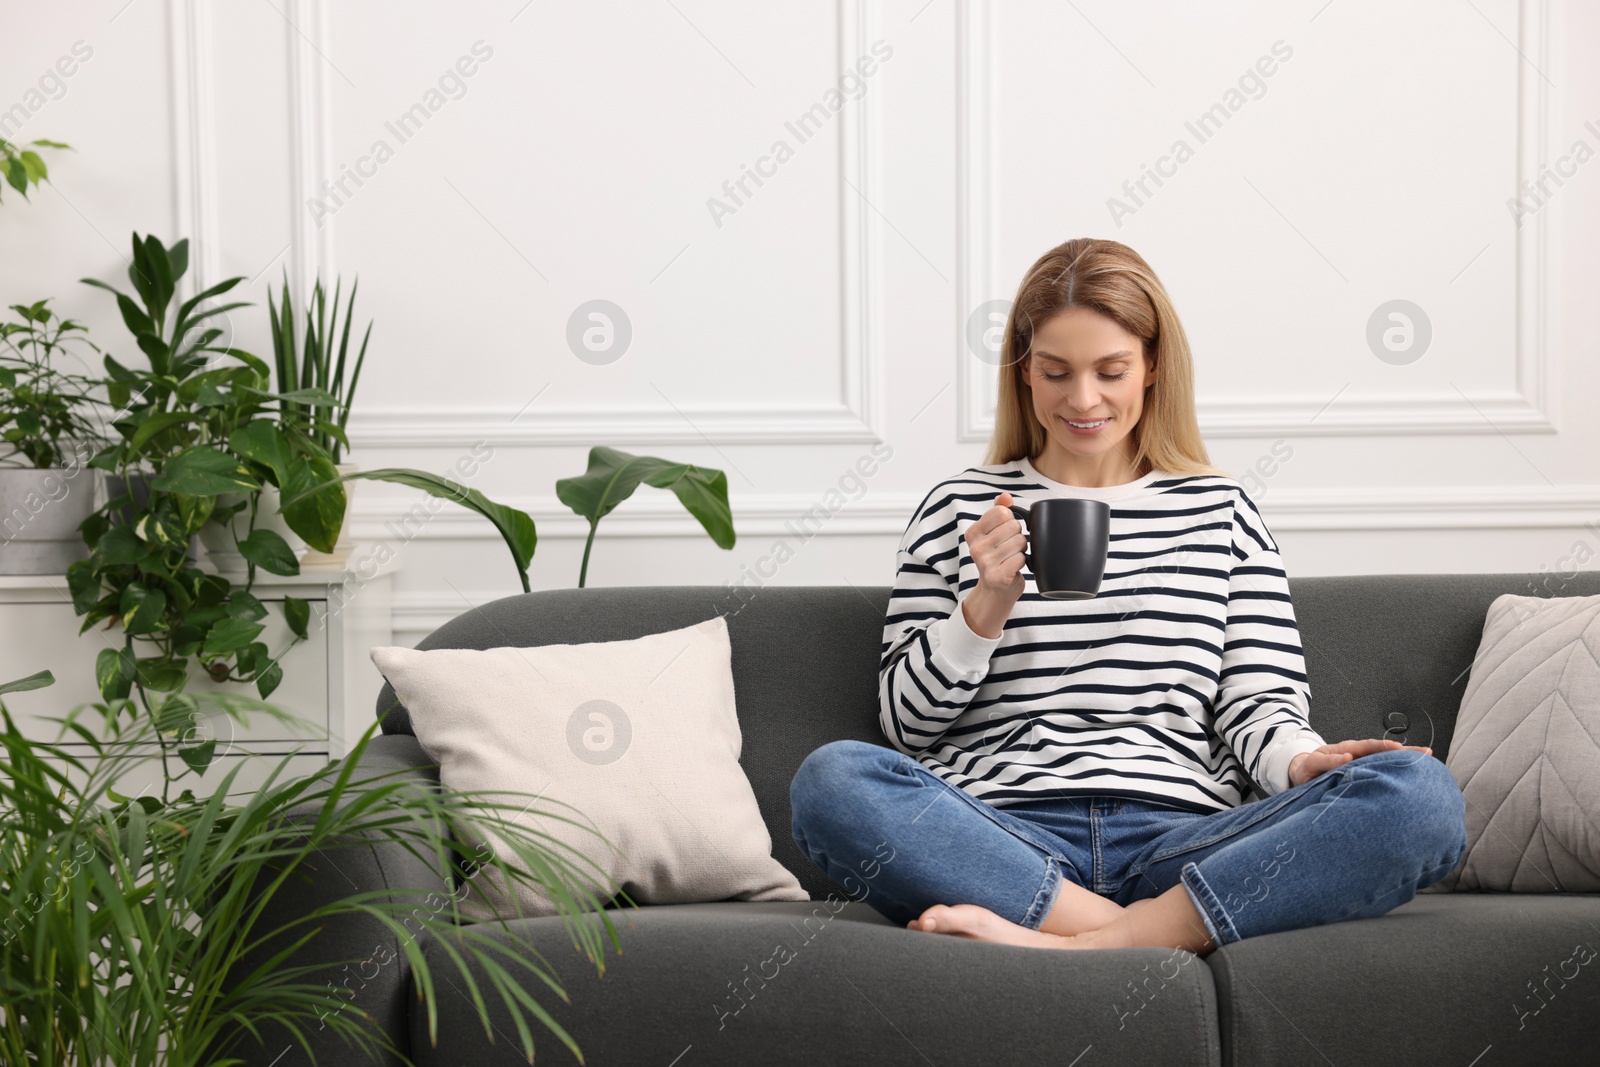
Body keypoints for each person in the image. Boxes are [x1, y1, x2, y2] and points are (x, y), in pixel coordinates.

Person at [788, 238, 1467, 955]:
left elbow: (1258, 704)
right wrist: (984, 605)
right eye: (1056, 372)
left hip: (1183, 840)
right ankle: (1145, 934)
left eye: (1110, 371)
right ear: (1023, 374)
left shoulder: (1222, 511)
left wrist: (1301, 762)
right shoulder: (956, 508)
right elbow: (907, 727)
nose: (1083, 400)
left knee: (1419, 793)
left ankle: (1065, 940)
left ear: (1152, 367)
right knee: (832, 780)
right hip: (1003, 835)